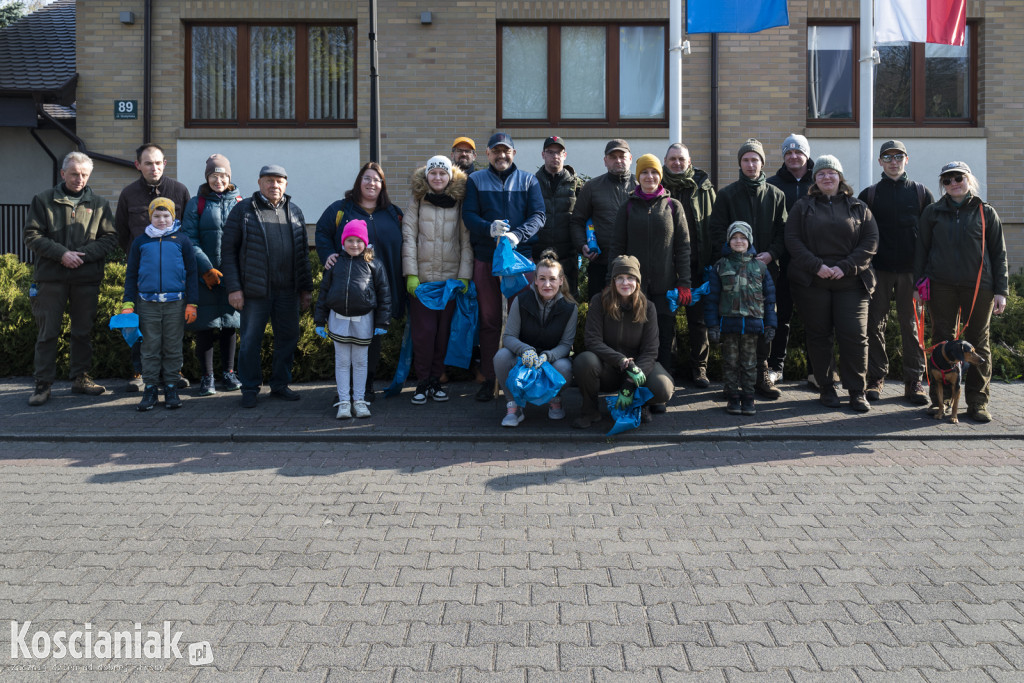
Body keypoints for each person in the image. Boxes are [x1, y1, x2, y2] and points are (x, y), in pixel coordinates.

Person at [914, 161, 1008, 423]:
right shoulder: (932, 212)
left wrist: (1001, 290)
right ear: (943, 184)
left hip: (979, 287)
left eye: (958, 178)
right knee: (941, 341)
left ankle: (977, 402)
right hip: (941, 285)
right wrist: (917, 285)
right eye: (947, 180)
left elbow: (999, 253)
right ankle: (941, 400)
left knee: (978, 342)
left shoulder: (985, 212)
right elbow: (921, 250)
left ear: (969, 180)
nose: (953, 183)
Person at [785, 155, 879, 413]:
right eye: (821, 174)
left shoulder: (859, 207)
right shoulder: (802, 207)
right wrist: (817, 266)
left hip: (851, 282)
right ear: (815, 180)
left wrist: (845, 266)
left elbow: (870, 241)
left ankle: (857, 391)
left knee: (854, 336)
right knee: (819, 336)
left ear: (840, 177)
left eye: (831, 173)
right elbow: (792, 239)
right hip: (812, 282)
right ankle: (826, 387)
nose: (827, 177)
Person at [24, 151, 118, 406]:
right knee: (48, 332)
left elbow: (110, 238)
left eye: (85, 174)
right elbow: (32, 235)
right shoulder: (43, 200)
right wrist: (62, 254)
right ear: (63, 173)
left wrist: (82, 256)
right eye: (75, 174)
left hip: (86, 278)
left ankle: (80, 378)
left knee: (82, 332)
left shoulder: (99, 204)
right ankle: (43, 383)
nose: (80, 179)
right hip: (51, 278)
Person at [462, 132, 546, 402]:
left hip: (520, 259)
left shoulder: (528, 180)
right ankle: (490, 378)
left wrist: (518, 235)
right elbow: (468, 215)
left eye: (506, 151)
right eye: (496, 151)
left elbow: (539, 215)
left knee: (522, 319)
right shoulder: (476, 180)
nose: (501, 155)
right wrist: (488, 228)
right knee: (489, 319)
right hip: (486, 258)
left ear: (514, 153)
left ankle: (522, 375)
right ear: (488, 154)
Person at [221, 164, 313, 408]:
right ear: (259, 183)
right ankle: (250, 388)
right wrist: (234, 288)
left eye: (279, 181)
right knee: (250, 341)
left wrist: (305, 289)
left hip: (288, 291)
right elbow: (228, 251)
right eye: (269, 180)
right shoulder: (243, 210)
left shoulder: (294, 211)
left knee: (288, 338)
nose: (275, 185)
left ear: (286, 184)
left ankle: (280, 384)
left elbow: (303, 253)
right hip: (254, 292)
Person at [605, 153, 690, 410]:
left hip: (665, 287)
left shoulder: (673, 206)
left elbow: (683, 247)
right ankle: (631, 387)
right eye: (644, 172)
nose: (649, 177)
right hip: (633, 289)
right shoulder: (628, 207)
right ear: (638, 176)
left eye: (654, 172)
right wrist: (612, 281)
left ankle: (658, 392)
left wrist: (684, 282)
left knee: (664, 338)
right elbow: (617, 246)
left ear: (660, 176)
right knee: (635, 338)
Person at [315, 162, 405, 402]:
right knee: (345, 343)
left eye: (376, 179)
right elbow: (321, 233)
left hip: (381, 287)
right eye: (367, 178)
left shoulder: (393, 213)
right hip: (348, 290)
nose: (371, 183)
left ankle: (365, 388)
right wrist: (328, 255)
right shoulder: (341, 209)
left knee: (372, 340)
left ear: (382, 185)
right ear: (359, 181)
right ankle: (345, 391)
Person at [709, 138, 788, 400]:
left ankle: (761, 374)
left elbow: (783, 232)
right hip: (733, 273)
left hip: (765, 270)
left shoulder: (776, 195)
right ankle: (732, 382)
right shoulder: (727, 195)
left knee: (763, 321)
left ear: (762, 163)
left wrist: (772, 254)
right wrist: (733, 255)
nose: (751, 164)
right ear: (740, 163)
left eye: (755, 159)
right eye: (746, 160)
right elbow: (716, 230)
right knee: (734, 327)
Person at [858, 140, 934, 406]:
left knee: (911, 327)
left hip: (912, 273)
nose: (893, 162)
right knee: (874, 325)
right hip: (878, 271)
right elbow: (860, 234)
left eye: (898, 157)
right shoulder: (869, 195)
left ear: (906, 160)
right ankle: (875, 377)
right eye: (888, 157)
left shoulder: (921, 193)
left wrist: (925, 275)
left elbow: (931, 237)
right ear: (880, 162)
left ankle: (914, 381)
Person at [115, 143, 191, 393]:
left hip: (173, 276)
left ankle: (174, 372)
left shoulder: (179, 191)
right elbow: (122, 232)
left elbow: (188, 230)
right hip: (143, 275)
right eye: (148, 163)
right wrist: (140, 259)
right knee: (141, 324)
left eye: (158, 162)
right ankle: (140, 372)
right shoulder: (128, 194)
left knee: (172, 329)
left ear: (165, 164)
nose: (154, 167)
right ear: (138, 165)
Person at [572, 255, 674, 429]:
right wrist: (621, 360)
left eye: (630, 278)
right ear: (613, 281)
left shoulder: (648, 307)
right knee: (584, 361)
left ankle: (639, 404)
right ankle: (590, 411)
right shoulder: (599, 301)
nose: (625, 283)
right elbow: (592, 341)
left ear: (637, 281)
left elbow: (650, 351)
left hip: (638, 370)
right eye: (620, 277)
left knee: (663, 387)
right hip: (608, 368)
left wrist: (630, 382)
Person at [401, 155, 472, 404]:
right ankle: (422, 382)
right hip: (423, 282)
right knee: (424, 334)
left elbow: (466, 241)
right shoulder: (418, 200)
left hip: (449, 283)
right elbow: (408, 237)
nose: (438, 177)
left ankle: (435, 380)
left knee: (443, 334)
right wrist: (411, 274)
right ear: (427, 175)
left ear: (450, 176)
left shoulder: (459, 202)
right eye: (433, 173)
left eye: (443, 173)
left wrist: (464, 276)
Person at [121, 198, 199, 411]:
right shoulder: (140, 242)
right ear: (150, 217)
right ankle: (150, 388)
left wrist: (192, 303)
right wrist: (128, 302)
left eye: (166, 216)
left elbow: (192, 272)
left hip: (176, 303)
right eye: (157, 216)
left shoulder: (182, 241)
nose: (161, 220)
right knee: (150, 347)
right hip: (147, 304)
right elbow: (131, 274)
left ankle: (171, 386)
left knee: (173, 346)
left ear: (173, 217)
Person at [315, 220, 392, 420]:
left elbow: (384, 294)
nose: (354, 244)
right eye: (350, 240)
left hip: (363, 321)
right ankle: (343, 402)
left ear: (365, 242)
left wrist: (382, 322)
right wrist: (319, 321)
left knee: (360, 362)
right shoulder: (334, 264)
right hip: (338, 320)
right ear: (343, 242)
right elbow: (324, 292)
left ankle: (359, 400)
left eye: (359, 240)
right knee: (341, 362)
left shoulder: (374, 264)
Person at [493, 250, 578, 427]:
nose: (547, 284)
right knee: (501, 357)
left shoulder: (570, 308)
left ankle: (554, 399)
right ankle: (513, 405)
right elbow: (509, 336)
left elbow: (566, 344)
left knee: (565, 367)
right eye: (542, 279)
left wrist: (547, 356)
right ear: (535, 280)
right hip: (522, 358)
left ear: (561, 280)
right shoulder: (521, 301)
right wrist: (525, 350)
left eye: (552, 279)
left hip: (552, 360)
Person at [181, 154, 243, 396]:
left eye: (223, 175)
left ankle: (229, 372)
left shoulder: (240, 202)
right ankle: (207, 377)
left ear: (230, 177)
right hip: (204, 276)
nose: (219, 180)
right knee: (205, 327)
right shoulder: (196, 203)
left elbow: (246, 239)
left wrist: (235, 270)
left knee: (230, 326)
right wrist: (206, 268)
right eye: (214, 176)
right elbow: (189, 239)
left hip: (232, 275)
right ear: (207, 178)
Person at [704, 222, 778, 416]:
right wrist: (712, 325)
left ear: (749, 241)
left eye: (743, 238)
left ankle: (748, 396)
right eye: (734, 238)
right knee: (730, 362)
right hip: (729, 324)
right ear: (729, 241)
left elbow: (769, 299)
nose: (738, 241)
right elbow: (712, 299)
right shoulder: (720, 266)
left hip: (752, 325)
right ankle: (732, 396)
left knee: (749, 364)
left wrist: (770, 324)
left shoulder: (760, 267)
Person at [661, 143, 716, 388]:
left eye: (681, 159)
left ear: (689, 161)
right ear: (665, 161)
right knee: (666, 320)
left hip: (696, 264)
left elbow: (713, 224)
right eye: (672, 159)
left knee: (698, 321)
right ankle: (667, 368)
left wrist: (712, 260)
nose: (677, 163)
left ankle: (699, 368)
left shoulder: (704, 188)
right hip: (665, 266)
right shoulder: (658, 186)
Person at [767, 134, 818, 388]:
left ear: (807, 155)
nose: (793, 156)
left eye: (798, 152)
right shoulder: (772, 185)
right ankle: (776, 367)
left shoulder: (820, 182)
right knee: (780, 318)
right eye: (788, 152)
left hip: (814, 264)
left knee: (815, 319)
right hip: (781, 263)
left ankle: (816, 371)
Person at [569, 139, 637, 297]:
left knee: (634, 309)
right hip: (601, 264)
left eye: (622, 156)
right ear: (605, 161)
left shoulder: (640, 186)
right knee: (600, 308)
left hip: (634, 266)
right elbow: (577, 221)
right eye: (613, 157)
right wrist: (582, 245)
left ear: (630, 158)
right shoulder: (592, 187)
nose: (618, 160)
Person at [534, 136, 583, 297]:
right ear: (543, 155)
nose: (555, 156)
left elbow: (584, 217)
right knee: (539, 302)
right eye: (550, 152)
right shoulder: (532, 183)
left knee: (568, 302)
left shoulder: (577, 184)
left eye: (559, 152)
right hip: (539, 257)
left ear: (565, 155)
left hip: (567, 257)